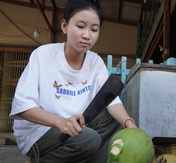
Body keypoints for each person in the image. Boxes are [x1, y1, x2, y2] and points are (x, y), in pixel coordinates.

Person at [9, 0, 137, 162]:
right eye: (80, 26)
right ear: (64, 26)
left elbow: (111, 99)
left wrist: (129, 124)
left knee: (115, 120)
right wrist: (60, 122)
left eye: (94, 29)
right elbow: (22, 106)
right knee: (89, 139)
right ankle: (38, 160)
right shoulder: (43, 55)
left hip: (76, 129)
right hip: (41, 131)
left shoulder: (95, 62)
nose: (87, 35)